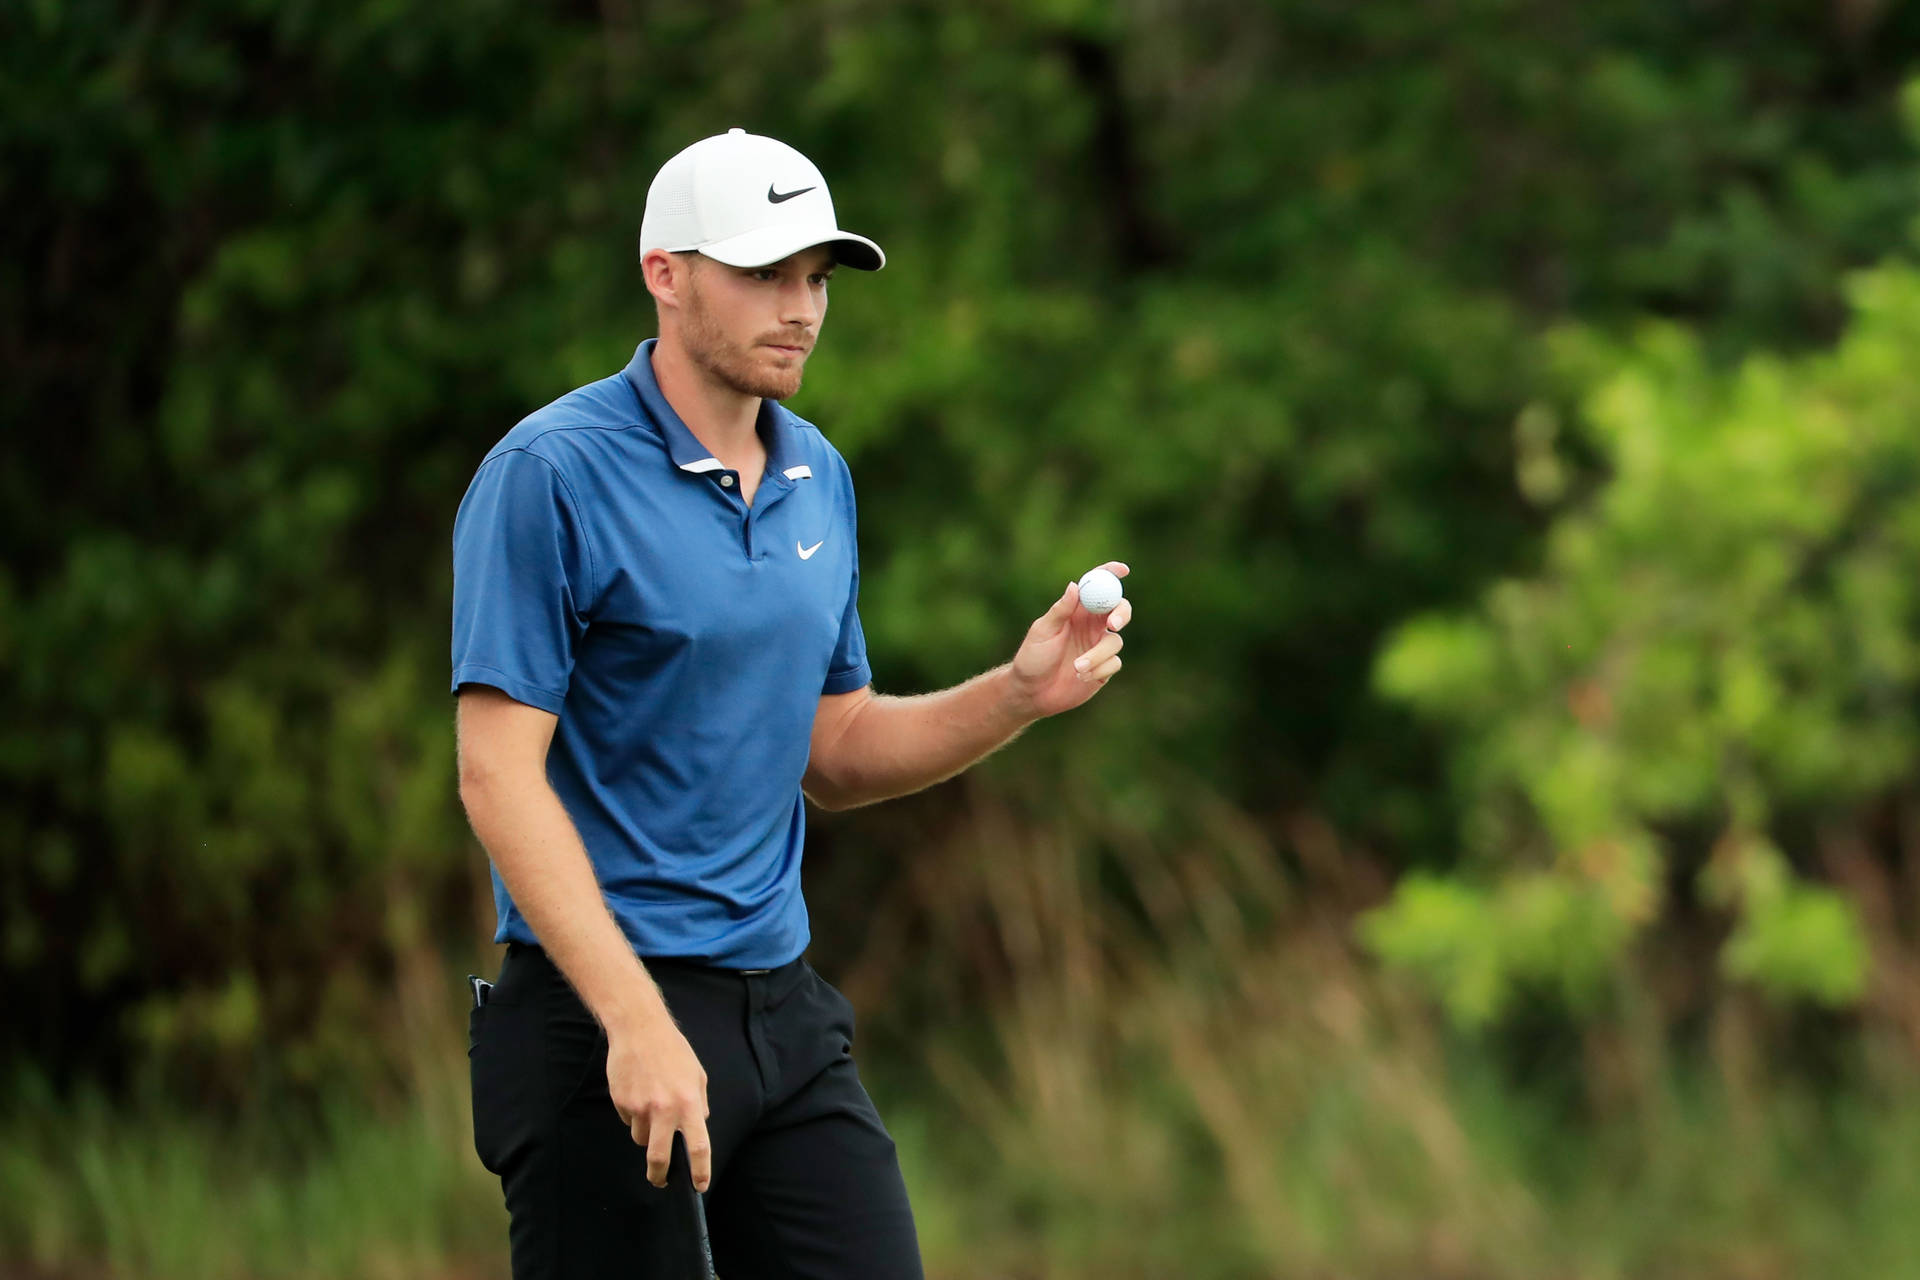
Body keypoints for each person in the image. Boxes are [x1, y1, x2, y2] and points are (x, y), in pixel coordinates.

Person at [451, 127, 1133, 1279]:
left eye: (815, 277)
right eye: (765, 272)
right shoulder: (550, 474)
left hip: (783, 1014)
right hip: (599, 1023)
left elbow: (837, 744)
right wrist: (633, 1017)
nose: (802, 307)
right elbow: (495, 773)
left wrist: (1015, 696)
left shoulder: (819, 468)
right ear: (665, 272)